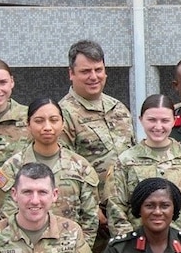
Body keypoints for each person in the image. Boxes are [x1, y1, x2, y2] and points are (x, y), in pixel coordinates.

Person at [106, 94, 181, 239]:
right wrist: (129, 248)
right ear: (140, 120)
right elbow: (116, 210)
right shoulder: (125, 161)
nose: (158, 126)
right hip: (138, 250)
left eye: (165, 120)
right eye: (151, 120)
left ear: (174, 121)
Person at [0, 98, 101, 239]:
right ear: (28, 125)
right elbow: (4, 213)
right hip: (22, 250)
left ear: (63, 124)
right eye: (39, 121)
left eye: (54, 120)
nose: (47, 127)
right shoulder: (12, 167)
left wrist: (77, 250)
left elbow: (90, 218)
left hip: (68, 249)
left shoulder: (80, 166)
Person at [58, 39, 135, 188]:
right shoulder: (62, 114)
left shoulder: (119, 108)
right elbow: (64, 170)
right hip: (92, 206)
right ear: (71, 73)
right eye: (85, 71)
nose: (93, 77)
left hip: (126, 203)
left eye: (98, 70)